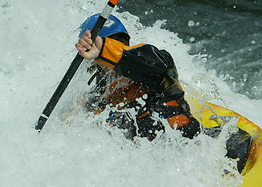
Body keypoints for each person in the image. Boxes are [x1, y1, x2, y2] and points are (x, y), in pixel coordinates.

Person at [75, 13, 201, 141]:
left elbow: (158, 67)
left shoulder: (153, 63)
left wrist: (105, 50)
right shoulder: (102, 93)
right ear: (97, 65)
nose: (118, 48)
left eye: (120, 44)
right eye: (111, 44)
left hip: (192, 145)